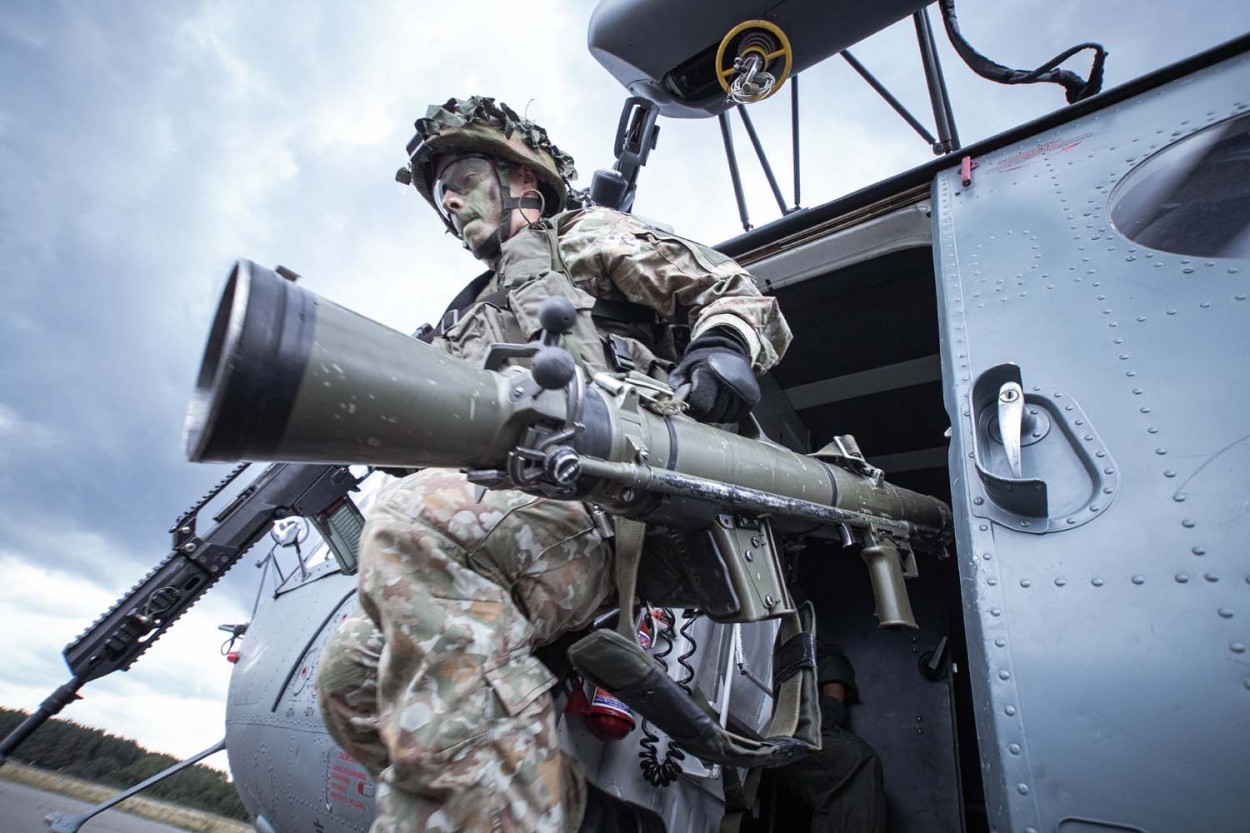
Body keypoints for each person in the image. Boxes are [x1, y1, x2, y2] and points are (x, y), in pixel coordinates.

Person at [316, 96, 792, 833]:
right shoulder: (456, 322)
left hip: (613, 500)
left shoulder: (580, 238)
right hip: (508, 517)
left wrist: (722, 349)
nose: (450, 202)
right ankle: (585, 818)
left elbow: (736, 291)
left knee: (411, 524)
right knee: (349, 680)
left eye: (463, 179)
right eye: (441, 195)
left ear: (524, 183)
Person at [776, 642, 887, 832]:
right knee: (853, 763)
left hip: (799, 714)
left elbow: (820, 646)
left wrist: (833, 702)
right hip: (748, 727)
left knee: (853, 762)